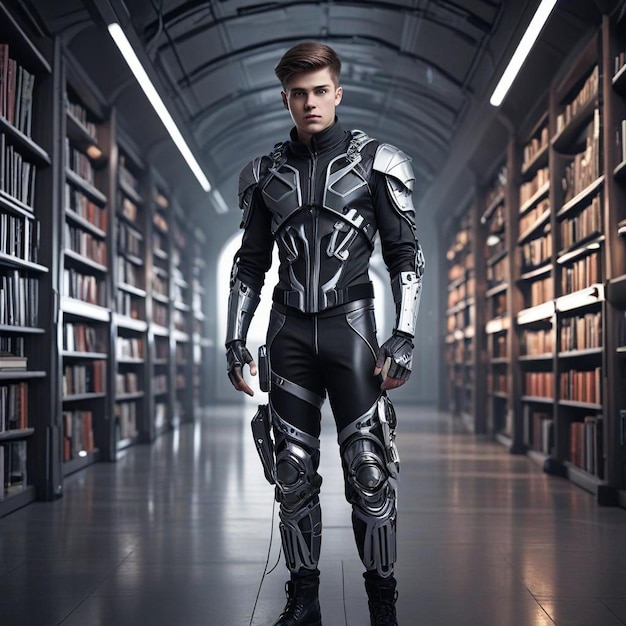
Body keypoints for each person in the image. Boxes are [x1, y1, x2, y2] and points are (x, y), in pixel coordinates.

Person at [225, 41, 424, 626]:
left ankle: (382, 600)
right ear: (285, 98)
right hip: (287, 332)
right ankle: (303, 595)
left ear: (338, 92)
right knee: (290, 470)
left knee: (368, 468)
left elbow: (404, 253)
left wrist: (405, 332)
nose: (310, 103)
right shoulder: (265, 174)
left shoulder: (377, 162)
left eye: (320, 91)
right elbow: (250, 263)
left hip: (352, 330)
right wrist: (235, 339)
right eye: (298, 94)